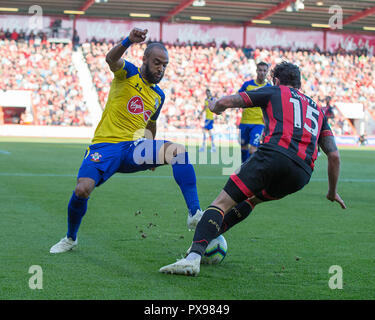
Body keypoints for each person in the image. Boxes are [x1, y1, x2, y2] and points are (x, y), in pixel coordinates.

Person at [160, 62, 346, 276]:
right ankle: (207, 239)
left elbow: (226, 101)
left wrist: (214, 105)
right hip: (301, 174)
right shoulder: (317, 110)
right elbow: (334, 155)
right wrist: (332, 192)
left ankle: (192, 258)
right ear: (299, 83)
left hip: (273, 155)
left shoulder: (275, 90)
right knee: (252, 200)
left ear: (276, 80)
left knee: (221, 203)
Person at [50, 28, 203, 254]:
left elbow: (151, 123)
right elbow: (110, 59)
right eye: (157, 63)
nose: (161, 69)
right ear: (145, 60)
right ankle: (71, 238)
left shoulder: (159, 96)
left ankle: (194, 214)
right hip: (106, 145)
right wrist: (128, 41)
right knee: (83, 189)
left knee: (178, 151)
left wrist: (151, 153)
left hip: (134, 148)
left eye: (164, 65)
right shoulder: (129, 72)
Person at [238, 61, 272, 163]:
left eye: (264, 71)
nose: (262, 73)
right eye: (260, 70)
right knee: (243, 148)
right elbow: (238, 97)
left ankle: (249, 171)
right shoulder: (247, 85)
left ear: (267, 72)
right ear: (256, 71)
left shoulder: (269, 88)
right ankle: (244, 168)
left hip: (259, 123)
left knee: (253, 149)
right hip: (245, 122)